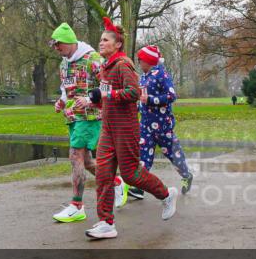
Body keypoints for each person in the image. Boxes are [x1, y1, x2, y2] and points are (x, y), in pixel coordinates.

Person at [81, 18, 178, 239]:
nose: (101, 42)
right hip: (108, 129)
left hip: (126, 129)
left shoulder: (124, 64)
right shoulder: (105, 67)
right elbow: (109, 98)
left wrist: (106, 94)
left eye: (105, 39)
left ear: (118, 44)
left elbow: (133, 93)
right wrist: (93, 101)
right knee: (104, 175)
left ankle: (166, 195)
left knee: (131, 174)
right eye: (100, 39)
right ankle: (106, 222)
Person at [49, 23, 114, 223]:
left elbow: (108, 84)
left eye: (58, 44)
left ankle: (77, 205)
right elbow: (65, 87)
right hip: (72, 116)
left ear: (69, 42)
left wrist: (92, 99)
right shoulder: (64, 62)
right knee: (85, 162)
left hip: (89, 116)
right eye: (54, 45)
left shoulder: (92, 59)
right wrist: (61, 101)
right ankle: (117, 182)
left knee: (75, 154)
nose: (56, 48)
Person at [120, 44, 193, 201]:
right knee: (143, 157)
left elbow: (171, 96)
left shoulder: (162, 75)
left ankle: (186, 175)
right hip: (146, 126)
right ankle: (139, 188)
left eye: (140, 60)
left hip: (163, 127)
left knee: (174, 155)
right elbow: (141, 98)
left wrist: (151, 100)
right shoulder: (144, 76)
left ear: (149, 61)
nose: (139, 63)